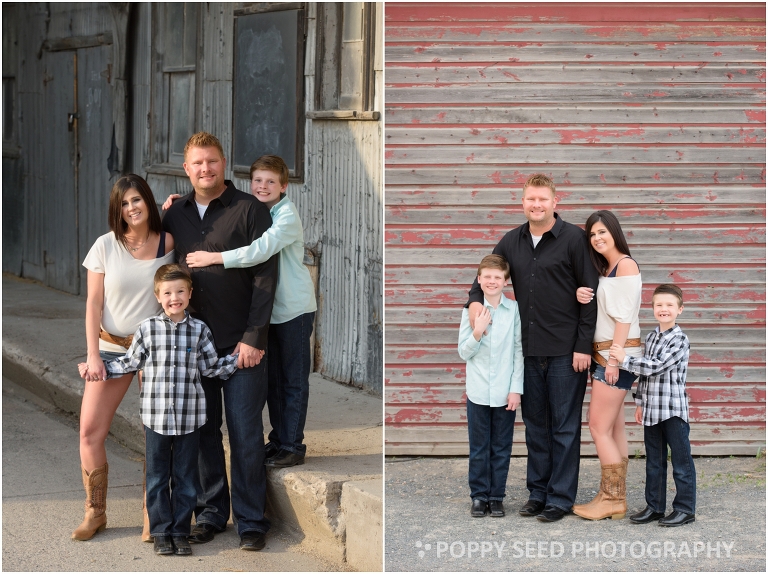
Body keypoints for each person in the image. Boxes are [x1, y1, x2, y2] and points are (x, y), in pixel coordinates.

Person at [162, 132, 278, 551]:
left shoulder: (250, 209)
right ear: (186, 169)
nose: (205, 169)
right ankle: (212, 512)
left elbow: (266, 279)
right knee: (203, 432)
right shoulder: (175, 215)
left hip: (239, 345)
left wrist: (253, 337)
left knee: (246, 433)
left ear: (223, 163)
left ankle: (250, 520)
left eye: (211, 161)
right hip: (193, 347)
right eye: (197, 163)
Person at [163, 154, 317, 468]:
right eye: (258, 180)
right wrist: (181, 203)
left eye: (271, 182)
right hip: (270, 313)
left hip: (293, 310)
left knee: (293, 379)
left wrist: (214, 259)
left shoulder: (285, 215)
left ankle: (292, 444)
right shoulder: (260, 209)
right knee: (274, 380)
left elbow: (258, 250)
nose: (263, 186)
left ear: (284, 186)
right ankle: (279, 441)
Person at [78, 264, 239, 555]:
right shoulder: (147, 329)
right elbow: (129, 363)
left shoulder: (200, 330)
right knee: (156, 477)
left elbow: (211, 367)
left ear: (189, 294)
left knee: (186, 477)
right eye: (167, 293)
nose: (174, 297)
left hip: (190, 418)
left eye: (180, 291)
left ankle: (180, 531)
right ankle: (161, 531)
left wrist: (237, 361)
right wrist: (95, 369)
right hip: (156, 418)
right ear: (158, 296)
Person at [466, 173, 598, 522]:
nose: (536, 205)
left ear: (556, 201)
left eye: (542, 199)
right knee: (536, 425)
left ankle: (560, 498)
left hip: (566, 351)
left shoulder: (574, 239)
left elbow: (591, 294)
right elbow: (482, 278)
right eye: (530, 199)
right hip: (527, 351)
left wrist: (584, 345)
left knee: (565, 427)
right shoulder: (511, 241)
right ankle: (538, 493)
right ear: (522, 202)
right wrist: (474, 304)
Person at [74, 175, 175, 541]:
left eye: (137, 200)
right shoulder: (104, 246)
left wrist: (173, 207)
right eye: (124, 203)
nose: (131, 208)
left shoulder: (167, 241)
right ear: (116, 210)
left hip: (155, 350)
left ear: (148, 201)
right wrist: (93, 355)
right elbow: (93, 304)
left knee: (157, 434)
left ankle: (154, 512)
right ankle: (95, 511)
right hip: (111, 349)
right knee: (89, 432)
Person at [571, 211, 641, 521]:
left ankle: (613, 498)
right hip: (607, 353)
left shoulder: (625, 264)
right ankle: (611, 495)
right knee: (613, 427)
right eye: (592, 235)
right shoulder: (607, 267)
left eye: (602, 232)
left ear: (614, 231)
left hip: (616, 356)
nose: (597, 238)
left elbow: (625, 317)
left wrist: (613, 360)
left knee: (597, 426)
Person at [610, 284, 696, 527]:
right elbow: (645, 376)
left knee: (681, 461)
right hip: (651, 409)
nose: (664, 309)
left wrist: (624, 358)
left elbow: (657, 366)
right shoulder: (651, 336)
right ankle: (655, 507)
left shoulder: (679, 339)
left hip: (672, 410)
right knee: (654, 461)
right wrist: (639, 403)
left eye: (669, 305)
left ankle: (685, 509)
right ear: (653, 308)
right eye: (659, 305)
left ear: (680, 309)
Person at [458, 255, 523, 518]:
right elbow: (464, 352)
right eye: (487, 276)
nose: (492, 281)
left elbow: (518, 351)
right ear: (479, 280)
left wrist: (515, 389)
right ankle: (478, 496)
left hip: (504, 392)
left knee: (501, 446)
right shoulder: (470, 312)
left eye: (498, 277)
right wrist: (477, 331)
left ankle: (496, 496)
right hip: (478, 391)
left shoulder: (514, 311)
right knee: (479, 446)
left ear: (505, 281)